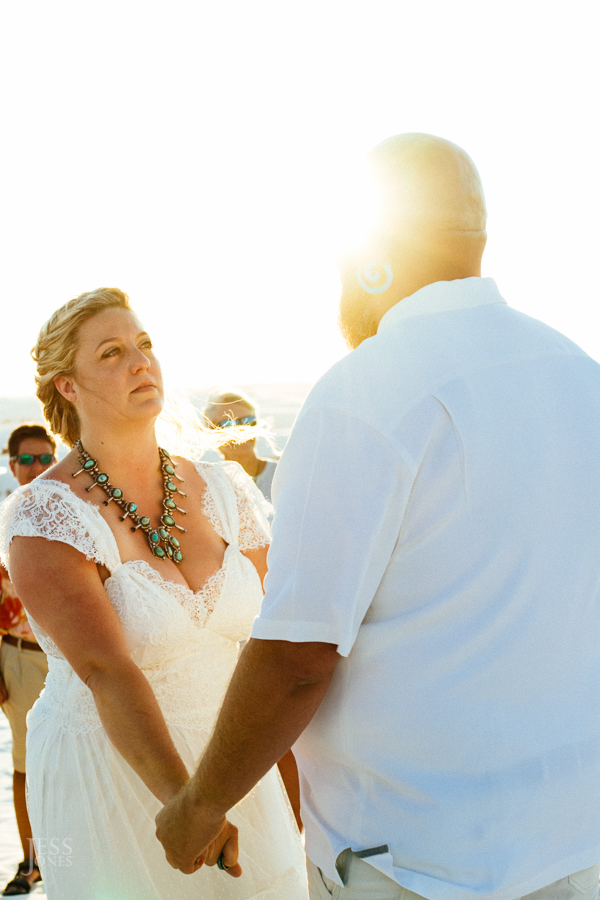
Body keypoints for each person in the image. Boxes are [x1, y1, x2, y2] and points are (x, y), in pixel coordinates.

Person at [156, 134, 600, 900]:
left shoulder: (364, 392)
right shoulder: (577, 373)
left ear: (373, 255)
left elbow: (298, 658)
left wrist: (201, 803)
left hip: (413, 860)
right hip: (574, 840)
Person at [0, 288, 308, 900]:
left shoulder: (225, 489)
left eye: (144, 345)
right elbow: (105, 669)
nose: (142, 362)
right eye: (112, 353)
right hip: (113, 775)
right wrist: (185, 804)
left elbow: (278, 635)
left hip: (235, 763)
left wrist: (293, 780)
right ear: (68, 386)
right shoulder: (45, 516)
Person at [1, 424, 55, 896]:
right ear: (11, 463)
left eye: (44, 459)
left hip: (72, 662)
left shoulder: (74, 511)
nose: (36, 468)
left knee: (79, 761)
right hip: (18, 659)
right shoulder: (1, 520)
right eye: (26, 460)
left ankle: (73, 862)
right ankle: (33, 863)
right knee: (26, 765)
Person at [204, 391, 279, 503]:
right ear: (212, 433)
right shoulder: (208, 487)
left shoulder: (282, 475)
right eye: (229, 424)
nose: (242, 431)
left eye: (248, 421)